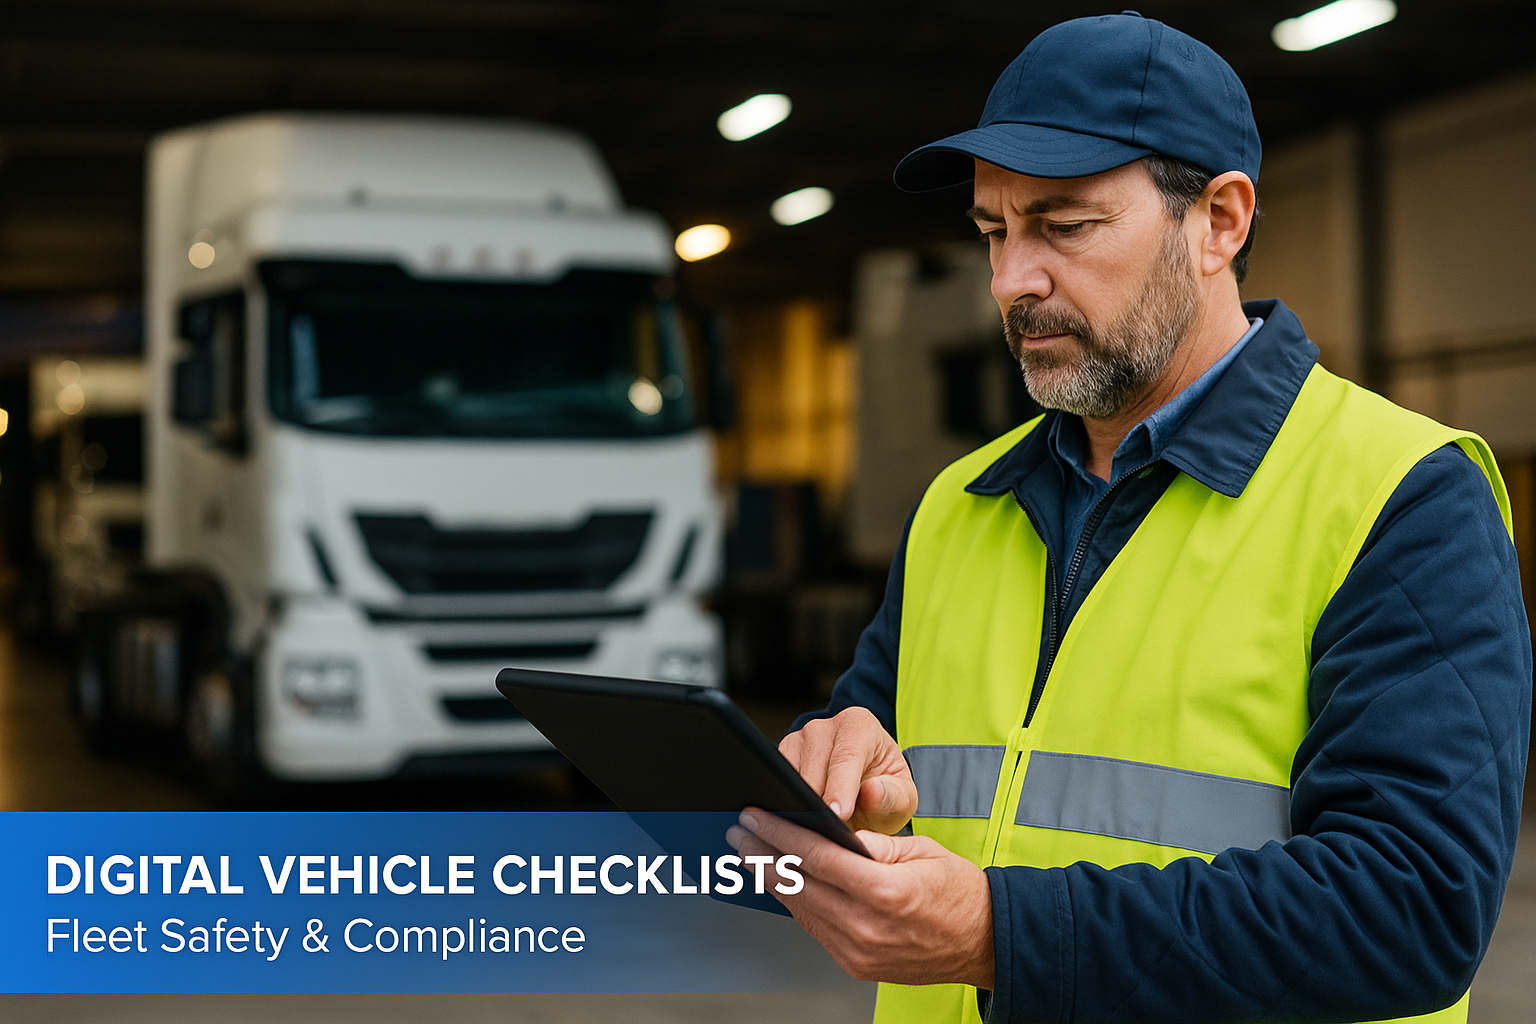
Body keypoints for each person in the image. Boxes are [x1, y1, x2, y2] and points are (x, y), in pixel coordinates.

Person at [726, 12, 1531, 1024]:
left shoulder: (1399, 496)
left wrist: (996, 931)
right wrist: (835, 765)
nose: (1015, 279)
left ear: (1221, 223)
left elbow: (1411, 909)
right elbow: (873, 740)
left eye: (1064, 226)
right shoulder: (958, 506)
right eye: (994, 231)